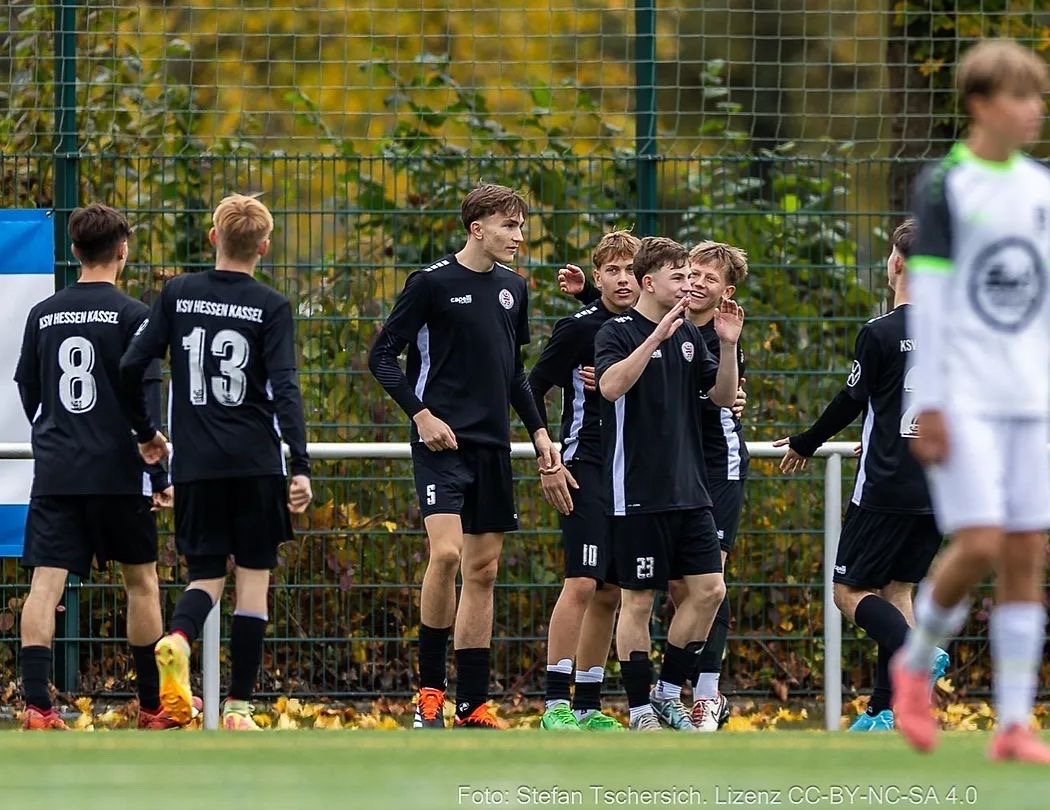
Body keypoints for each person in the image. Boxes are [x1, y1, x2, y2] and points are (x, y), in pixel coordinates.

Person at [890, 39, 1050, 762]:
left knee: (1024, 552)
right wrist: (931, 402)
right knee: (980, 542)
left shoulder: (1040, 186)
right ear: (982, 105)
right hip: (965, 397)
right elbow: (932, 302)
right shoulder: (946, 185)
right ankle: (915, 660)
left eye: (1038, 96)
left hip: (1029, 398)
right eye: (1020, 96)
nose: (1034, 109)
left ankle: (1013, 724)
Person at [367, 184, 559, 729]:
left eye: (520, 226)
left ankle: (472, 704)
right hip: (440, 445)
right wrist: (421, 415)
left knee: (484, 570)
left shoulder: (513, 289)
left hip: (491, 446)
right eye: (509, 225)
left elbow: (513, 372)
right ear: (478, 229)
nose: (518, 236)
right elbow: (382, 357)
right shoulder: (430, 284)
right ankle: (429, 692)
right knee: (447, 555)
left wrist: (539, 432)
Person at [120, 193, 312, 731]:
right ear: (264, 247)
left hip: (196, 465)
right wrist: (300, 464)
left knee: (205, 576)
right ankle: (238, 708)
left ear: (213, 238)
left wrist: (146, 434)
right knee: (253, 584)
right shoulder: (271, 305)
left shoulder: (178, 294)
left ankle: (178, 639)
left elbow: (131, 364)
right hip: (256, 463)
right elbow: (285, 388)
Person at [558, 240, 750, 731]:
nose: (689, 284)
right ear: (650, 283)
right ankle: (640, 709)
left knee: (709, 590)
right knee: (638, 600)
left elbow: (722, 397)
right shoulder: (616, 331)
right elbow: (610, 386)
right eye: (678, 276)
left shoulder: (690, 335)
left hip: (692, 490)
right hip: (637, 491)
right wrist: (656, 336)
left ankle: (667, 693)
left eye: (692, 276)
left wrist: (728, 345)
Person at [773, 220, 948, 732]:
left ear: (896, 263)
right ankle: (885, 711)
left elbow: (852, 399)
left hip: (886, 486)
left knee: (848, 592)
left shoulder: (880, 332)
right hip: (940, 486)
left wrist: (806, 442)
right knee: (898, 592)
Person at [14, 203, 176, 730]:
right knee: (141, 582)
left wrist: (55, 433)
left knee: (45, 585)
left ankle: (37, 707)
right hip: (119, 471)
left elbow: (28, 389)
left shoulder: (43, 314)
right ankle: (151, 707)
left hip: (58, 469)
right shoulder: (135, 316)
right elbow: (145, 400)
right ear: (122, 251)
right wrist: (158, 474)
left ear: (75, 251)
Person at [527, 230, 641, 731]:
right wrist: (549, 457)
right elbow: (530, 387)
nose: (623, 279)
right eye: (612, 271)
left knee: (611, 590)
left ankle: (588, 705)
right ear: (598, 276)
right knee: (582, 580)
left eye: (630, 270)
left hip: (632, 470)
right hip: (585, 463)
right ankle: (555, 701)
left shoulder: (652, 330)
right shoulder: (578, 329)